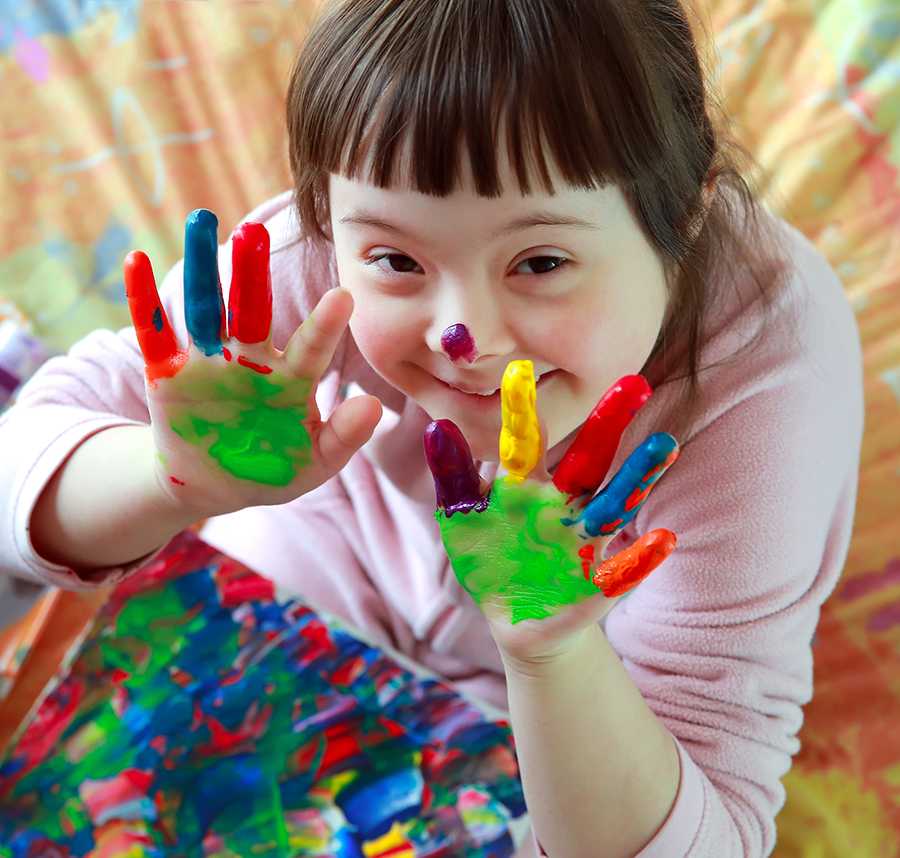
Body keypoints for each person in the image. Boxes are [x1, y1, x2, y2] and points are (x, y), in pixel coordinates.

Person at [0, 1, 864, 855]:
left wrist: (552, 653)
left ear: (685, 213)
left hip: (587, 697)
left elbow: (711, 836)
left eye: (540, 262)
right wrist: (166, 479)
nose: (464, 340)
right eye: (399, 262)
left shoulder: (766, 388)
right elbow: (19, 464)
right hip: (331, 552)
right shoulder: (324, 255)